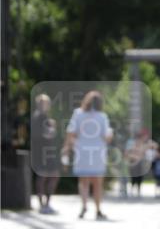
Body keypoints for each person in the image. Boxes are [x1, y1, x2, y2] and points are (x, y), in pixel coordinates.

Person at [63, 90, 113, 220]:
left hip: (82, 152)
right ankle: (98, 210)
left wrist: (68, 147)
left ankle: (84, 206)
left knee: (83, 181)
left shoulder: (78, 114)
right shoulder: (102, 116)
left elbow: (71, 132)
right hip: (97, 152)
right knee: (97, 183)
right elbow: (107, 137)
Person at [31, 93, 60, 214]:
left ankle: (45, 204)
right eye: (45, 103)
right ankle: (43, 204)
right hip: (42, 152)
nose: (47, 105)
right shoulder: (39, 117)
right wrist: (52, 128)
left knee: (49, 176)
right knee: (45, 176)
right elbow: (43, 135)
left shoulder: (42, 116)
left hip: (46, 151)